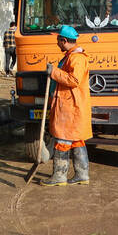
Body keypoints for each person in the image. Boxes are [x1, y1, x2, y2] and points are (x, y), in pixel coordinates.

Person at [42, 25, 92, 186]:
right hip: (72, 106)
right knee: (77, 141)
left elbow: (73, 80)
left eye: (58, 40)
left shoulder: (76, 58)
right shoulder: (71, 56)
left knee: (63, 140)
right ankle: (82, 175)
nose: (57, 43)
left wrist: (54, 72)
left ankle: (59, 176)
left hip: (70, 107)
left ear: (64, 40)